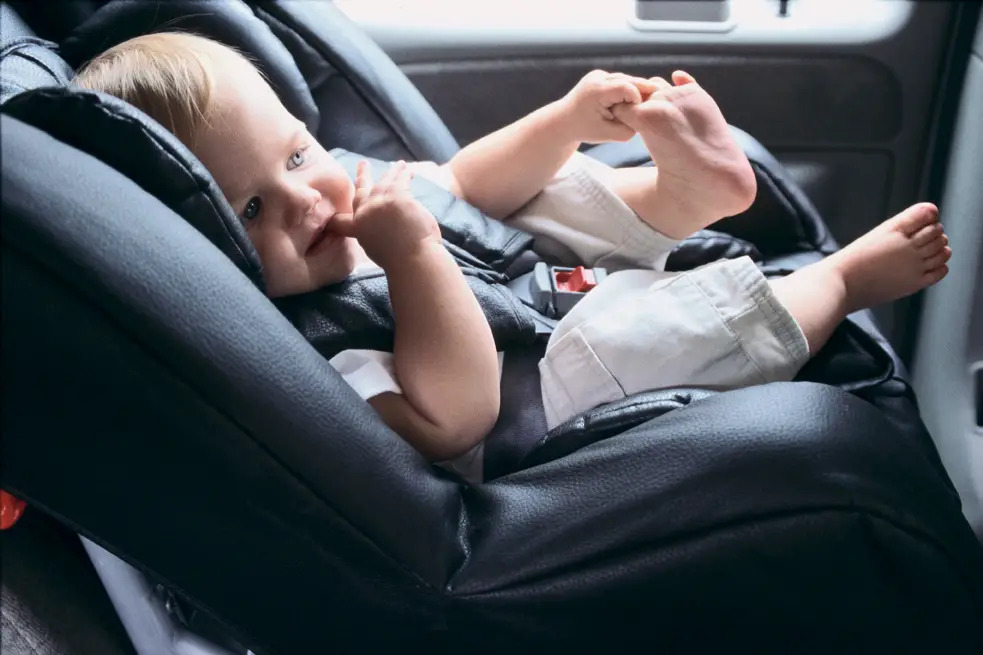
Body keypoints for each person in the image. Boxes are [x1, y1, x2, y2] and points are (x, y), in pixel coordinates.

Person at [74, 33, 951, 482]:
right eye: (252, 208)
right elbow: (455, 412)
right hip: (550, 385)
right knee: (651, 331)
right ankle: (836, 281)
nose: (306, 196)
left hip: (532, 279)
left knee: (541, 194)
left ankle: (685, 195)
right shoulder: (300, 357)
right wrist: (415, 252)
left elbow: (462, 183)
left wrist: (563, 119)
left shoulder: (341, 196)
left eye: (298, 153)